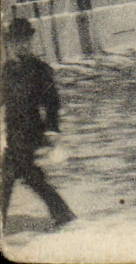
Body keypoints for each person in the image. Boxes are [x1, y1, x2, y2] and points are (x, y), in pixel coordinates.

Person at [2, 18, 75, 230]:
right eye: (16, 41)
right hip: (13, 130)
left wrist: (52, 128)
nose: (21, 45)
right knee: (30, 176)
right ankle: (63, 213)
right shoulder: (7, 70)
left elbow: (52, 102)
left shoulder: (40, 69)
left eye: (25, 40)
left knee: (8, 176)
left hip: (31, 131)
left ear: (31, 41)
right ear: (10, 44)